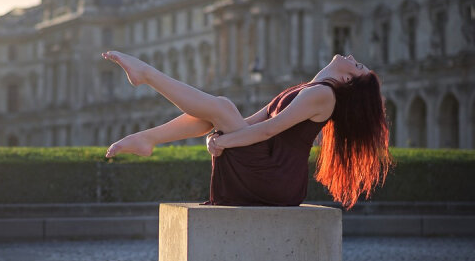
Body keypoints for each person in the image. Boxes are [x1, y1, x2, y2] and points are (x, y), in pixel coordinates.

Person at [102, 51, 391, 209]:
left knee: (222, 108)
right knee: (221, 108)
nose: (353, 57)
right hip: (268, 168)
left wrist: (227, 142)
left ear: (348, 79)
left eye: (358, 65)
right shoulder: (312, 88)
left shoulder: (324, 95)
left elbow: (269, 130)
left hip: (275, 178)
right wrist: (220, 136)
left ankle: (147, 76)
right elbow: (255, 120)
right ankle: (147, 138)